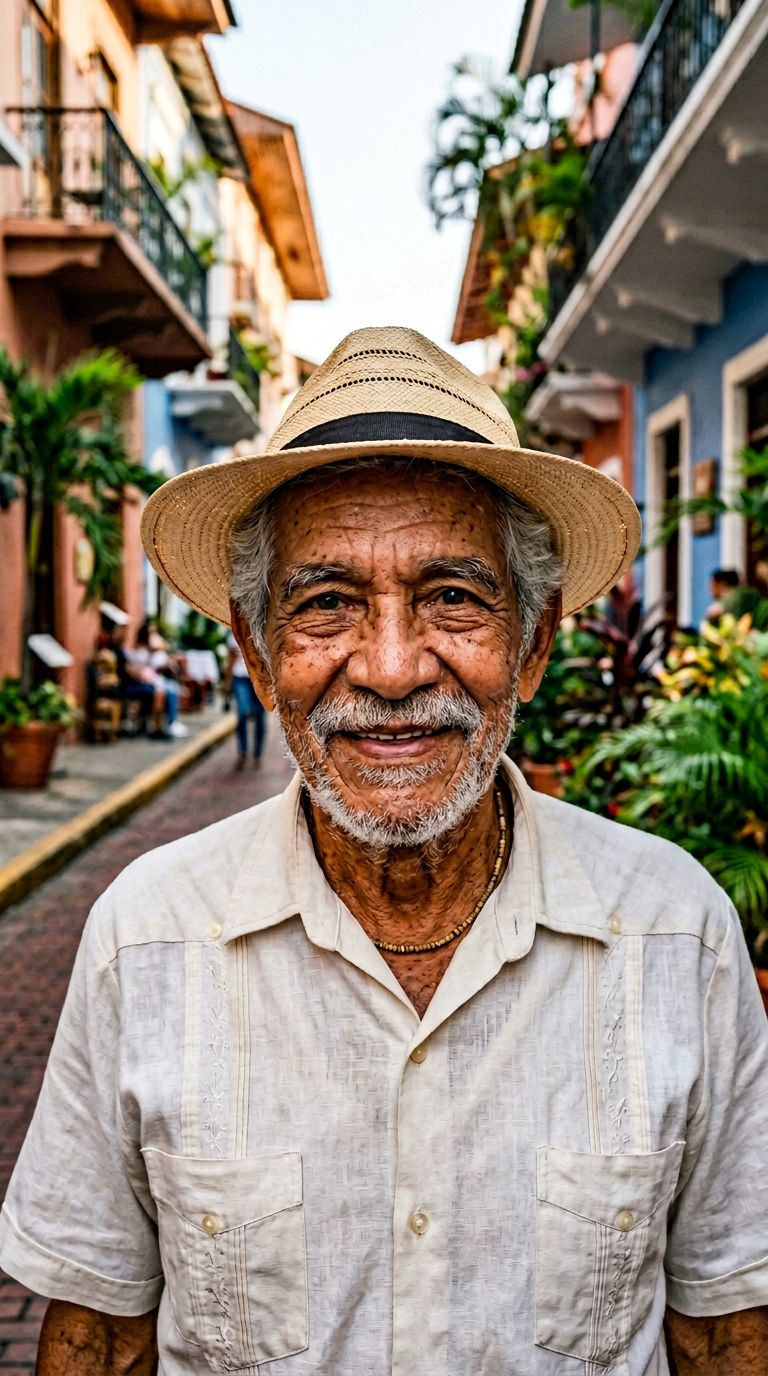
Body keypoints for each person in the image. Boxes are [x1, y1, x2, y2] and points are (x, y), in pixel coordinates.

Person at [1, 327, 766, 1376]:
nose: (395, 666)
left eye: (454, 595)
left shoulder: (678, 934)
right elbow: (99, 1333)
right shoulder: (149, 936)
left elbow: (726, 1330)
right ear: (259, 653)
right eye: (326, 604)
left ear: (534, 642)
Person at [224, 630, 266, 768]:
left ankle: (258, 753)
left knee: (260, 716)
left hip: (259, 678)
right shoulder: (234, 630)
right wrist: (227, 682)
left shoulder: (263, 627)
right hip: (240, 678)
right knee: (242, 712)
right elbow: (231, 659)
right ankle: (242, 752)